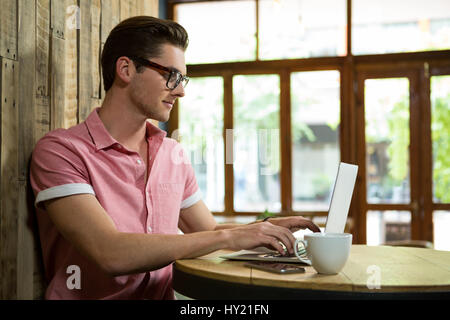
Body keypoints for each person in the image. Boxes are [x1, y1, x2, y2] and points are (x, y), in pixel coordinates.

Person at [30, 16, 320, 300]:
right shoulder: (61, 152)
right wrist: (230, 238)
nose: (180, 90)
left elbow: (208, 231)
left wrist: (263, 231)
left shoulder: (173, 154)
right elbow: (110, 252)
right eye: (172, 76)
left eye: (182, 79)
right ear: (126, 69)